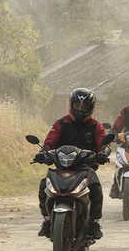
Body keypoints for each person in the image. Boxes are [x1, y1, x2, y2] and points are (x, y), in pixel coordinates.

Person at [36, 88, 108, 239]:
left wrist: (102, 154)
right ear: (71, 105)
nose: (80, 109)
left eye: (84, 107)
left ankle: (94, 222)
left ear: (91, 108)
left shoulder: (96, 126)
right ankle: (48, 220)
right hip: (62, 166)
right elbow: (50, 141)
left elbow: (104, 144)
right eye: (77, 105)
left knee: (95, 186)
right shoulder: (60, 123)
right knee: (44, 184)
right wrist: (44, 152)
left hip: (85, 168)